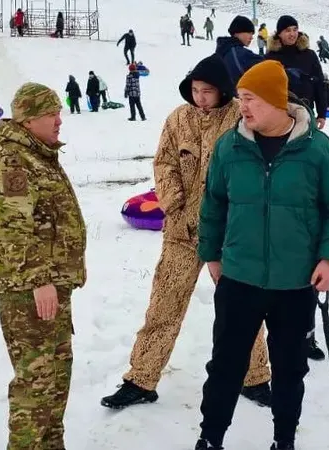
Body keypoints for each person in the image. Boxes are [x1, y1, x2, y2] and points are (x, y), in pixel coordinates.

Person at [193, 60, 329, 450]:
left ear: (275, 100)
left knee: (289, 370)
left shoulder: (318, 150)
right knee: (225, 366)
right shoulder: (230, 146)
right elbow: (213, 205)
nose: (242, 107)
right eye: (240, 98)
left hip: (295, 282)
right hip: (239, 279)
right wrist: (211, 255)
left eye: (250, 99)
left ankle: (284, 440)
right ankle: (210, 438)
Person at [100, 54, 274, 411]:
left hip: (230, 234)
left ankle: (255, 376)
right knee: (163, 306)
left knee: (242, 308)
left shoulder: (240, 120)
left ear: (222, 90)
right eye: (195, 91)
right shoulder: (178, 119)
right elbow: (164, 162)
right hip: (183, 230)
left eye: (207, 91)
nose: (200, 98)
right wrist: (174, 203)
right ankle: (141, 379)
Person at [0, 82, 87, 449]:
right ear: (28, 120)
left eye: (59, 112)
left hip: (50, 288)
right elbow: (12, 230)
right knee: (35, 391)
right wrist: (40, 280)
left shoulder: (37, 155)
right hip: (29, 293)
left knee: (55, 382)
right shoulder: (14, 160)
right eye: (51, 114)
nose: (59, 121)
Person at [265, 16, 328, 140]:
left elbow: (319, 85)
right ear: (279, 33)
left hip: (306, 111)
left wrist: (322, 114)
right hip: (280, 114)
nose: (292, 34)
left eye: (295, 29)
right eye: (287, 30)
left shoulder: (309, 55)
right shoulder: (270, 57)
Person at [215, 15, 263, 86]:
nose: (251, 37)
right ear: (237, 32)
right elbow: (267, 65)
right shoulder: (237, 53)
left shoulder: (225, 49)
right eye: (249, 33)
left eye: (252, 34)